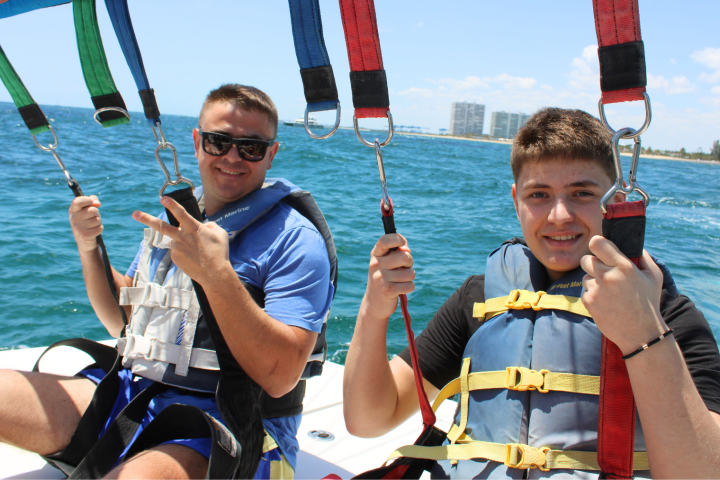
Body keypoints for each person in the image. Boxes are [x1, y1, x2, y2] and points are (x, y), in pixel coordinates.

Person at [343, 108, 720, 478]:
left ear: (616, 201)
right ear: (516, 200)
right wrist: (374, 310)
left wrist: (643, 333)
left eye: (582, 193)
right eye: (539, 195)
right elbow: (369, 419)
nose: (559, 215)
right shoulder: (478, 299)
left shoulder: (665, 313)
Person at [0, 84, 335, 479]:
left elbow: (281, 377)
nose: (232, 156)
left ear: (271, 154)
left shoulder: (295, 240)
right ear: (197, 143)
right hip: (133, 397)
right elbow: (121, 321)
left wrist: (218, 275)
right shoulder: (178, 217)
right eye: (218, 141)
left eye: (251, 147)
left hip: (234, 424)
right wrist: (89, 248)